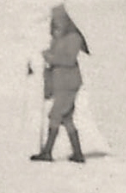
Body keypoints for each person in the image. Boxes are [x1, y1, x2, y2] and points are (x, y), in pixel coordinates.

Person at [32, 4, 90, 162]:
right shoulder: (58, 37)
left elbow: (69, 60)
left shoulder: (73, 38)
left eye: (58, 19)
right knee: (66, 117)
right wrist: (48, 86)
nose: (56, 23)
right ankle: (77, 154)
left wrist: (50, 57)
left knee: (56, 115)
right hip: (60, 82)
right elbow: (52, 65)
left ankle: (47, 152)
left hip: (69, 82)